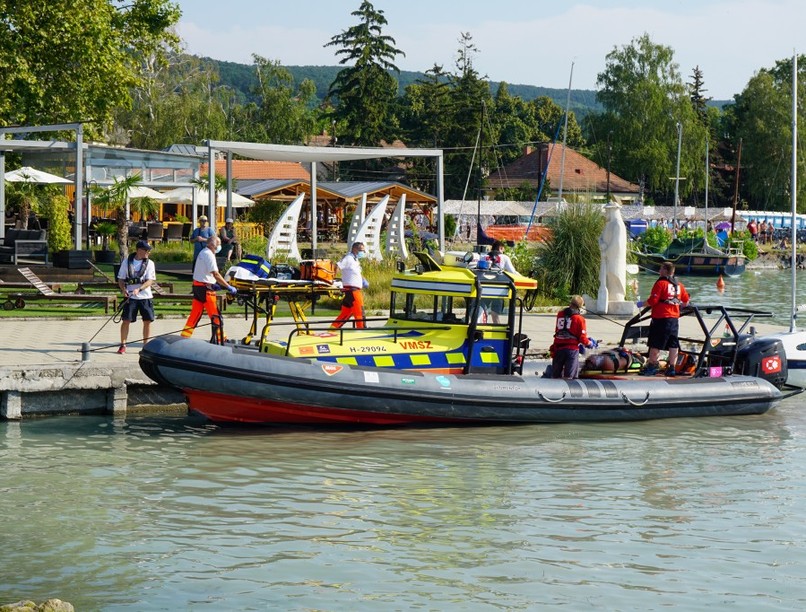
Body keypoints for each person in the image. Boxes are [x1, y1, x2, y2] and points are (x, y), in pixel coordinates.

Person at [181, 235, 237, 342]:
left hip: (197, 287)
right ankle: (222, 339)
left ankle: (184, 337)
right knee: (216, 315)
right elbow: (215, 274)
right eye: (218, 244)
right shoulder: (209, 255)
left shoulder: (203, 252)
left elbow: (205, 273)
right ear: (212, 245)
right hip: (206, 290)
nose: (220, 246)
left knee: (195, 315)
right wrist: (228, 286)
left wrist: (214, 284)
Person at [640, 260, 690, 377]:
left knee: (655, 343)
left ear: (665, 271)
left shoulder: (660, 284)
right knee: (673, 343)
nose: (659, 271)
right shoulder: (679, 285)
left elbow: (653, 301)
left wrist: (641, 304)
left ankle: (652, 366)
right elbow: (686, 301)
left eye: (661, 268)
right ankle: (672, 367)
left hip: (661, 317)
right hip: (674, 319)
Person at [116, 240, 156, 354]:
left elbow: (150, 281)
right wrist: (123, 290)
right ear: (139, 250)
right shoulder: (126, 262)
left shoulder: (150, 263)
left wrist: (139, 289)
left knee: (147, 321)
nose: (148, 252)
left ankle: (145, 346)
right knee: (126, 320)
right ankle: (123, 344)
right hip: (130, 297)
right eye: (146, 250)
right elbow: (121, 279)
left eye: (149, 250)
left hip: (145, 296)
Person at [551, 295, 595, 379]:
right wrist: (590, 343)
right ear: (580, 307)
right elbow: (582, 338)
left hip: (558, 348)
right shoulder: (579, 319)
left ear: (570, 303)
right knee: (570, 378)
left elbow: (557, 331)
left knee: (555, 376)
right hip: (571, 350)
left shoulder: (560, 314)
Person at [331, 241, 367, 329]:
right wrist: (332, 279)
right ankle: (362, 330)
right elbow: (337, 266)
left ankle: (332, 329)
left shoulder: (355, 259)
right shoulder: (348, 258)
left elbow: (356, 272)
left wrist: (363, 279)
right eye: (361, 250)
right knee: (359, 312)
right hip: (353, 290)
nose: (362, 252)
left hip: (351, 290)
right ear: (354, 249)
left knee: (346, 313)